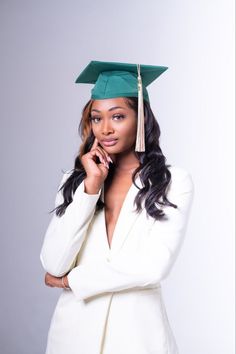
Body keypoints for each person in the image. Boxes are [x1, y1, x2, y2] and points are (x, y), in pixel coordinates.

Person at [40, 60, 194, 354]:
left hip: (138, 338)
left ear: (141, 119)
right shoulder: (74, 183)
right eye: (97, 118)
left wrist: (72, 280)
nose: (105, 129)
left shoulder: (172, 183)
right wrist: (90, 188)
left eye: (118, 116)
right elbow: (54, 263)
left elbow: (153, 265)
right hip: (73, 338)